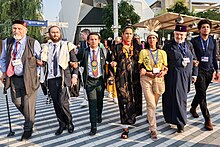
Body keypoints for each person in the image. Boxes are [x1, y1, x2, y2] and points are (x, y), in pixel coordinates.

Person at [0, 20, 42, 141]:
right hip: (14, 78)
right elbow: (3, 58)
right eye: (14, 28)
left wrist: (38, 75)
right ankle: (31, 116)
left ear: (25, 30)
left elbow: (41, 60)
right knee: (17, 102)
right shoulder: (8, 42)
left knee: (28, 103)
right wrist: (3, 72)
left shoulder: (33, 42)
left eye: (19, 29)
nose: (16, 31)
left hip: (29, 78)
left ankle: (27, 129)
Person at [40, 26, 78, 135]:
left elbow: (75, 63)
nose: (55, 34)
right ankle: (61, 124)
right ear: (49, 34)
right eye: (53, 32)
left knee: (63, 102)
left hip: (63, 78)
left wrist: (74, 76)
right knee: (56, 103)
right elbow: (43, 62)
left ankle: (69, 122)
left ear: (60, 33)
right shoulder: (46, 47)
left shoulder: (67, 46)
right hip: (51, 78)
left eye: (57, 32)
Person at [162, 24, 198, 133]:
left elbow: (195, 60)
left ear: (185, 35)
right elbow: (162, 60)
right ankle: (178, 122)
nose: (179, 36)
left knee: (181, 99)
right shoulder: (168, 45)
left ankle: (179, 120)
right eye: (177, 34)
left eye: (181, 34)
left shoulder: (189, 45)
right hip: (171, 75)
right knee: (170, 98)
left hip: (185, 76)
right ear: (174, 34)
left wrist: (194, 74)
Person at [111, 26, 142, 139]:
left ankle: (131, 118)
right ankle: (125, 127)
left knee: (134, 99)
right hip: (122, 78)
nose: (128, 36)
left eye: (130, 34)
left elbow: (142, 60)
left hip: (135, 78)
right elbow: (112, 59)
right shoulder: (117, 47)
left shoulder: (138, 47)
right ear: (122, 34)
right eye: (126, 33)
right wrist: (113, 63)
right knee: (124, 100)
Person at [77, 32, 109, 136]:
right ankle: (93, 126)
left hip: (100, 80)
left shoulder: (104, 51)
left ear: (99, 40)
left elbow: (110, 62)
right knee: (92, 103)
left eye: (96, 39)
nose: (93, 41)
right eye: (91, 39)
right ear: (88, 41)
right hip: (90, 81)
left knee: (99, 101)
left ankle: (99, 114)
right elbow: (77, 60)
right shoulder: (84, 51)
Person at [189, 19, 219, 131]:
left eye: (207, 27)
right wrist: (193, 62)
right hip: (198, 71)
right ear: (199, 29)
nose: (205, 28)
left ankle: (193, 107)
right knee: (202, 94)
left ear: (210, 29)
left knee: (201, 92)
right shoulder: (194, 41)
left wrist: (217, 70)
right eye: (203, 27)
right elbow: (190, 54)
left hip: (209, 70)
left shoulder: (212, 41)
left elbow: (214, 56)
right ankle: (207, 119)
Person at [139, 31, 168, 139]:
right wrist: (145, 71)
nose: (152, 40)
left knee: (154, 104)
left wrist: (164, 71)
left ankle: (150, 116)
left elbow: (165, 66)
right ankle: (153, 129)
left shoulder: (162, 52)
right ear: (147, 40)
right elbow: (140, 65)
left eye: (154, 38)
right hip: (146, 78)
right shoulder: (143, 51)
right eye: (150, 38)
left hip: (158, 79)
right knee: (150, 103)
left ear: (157, 39)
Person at [77, 29, 90, 107]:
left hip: (92, 66)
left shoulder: (93, 42)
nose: (81, 36)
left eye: (82, 35)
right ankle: (86, 99)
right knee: (84, 82)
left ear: (87, 34)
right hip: (83, 65)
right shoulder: (82, 43)